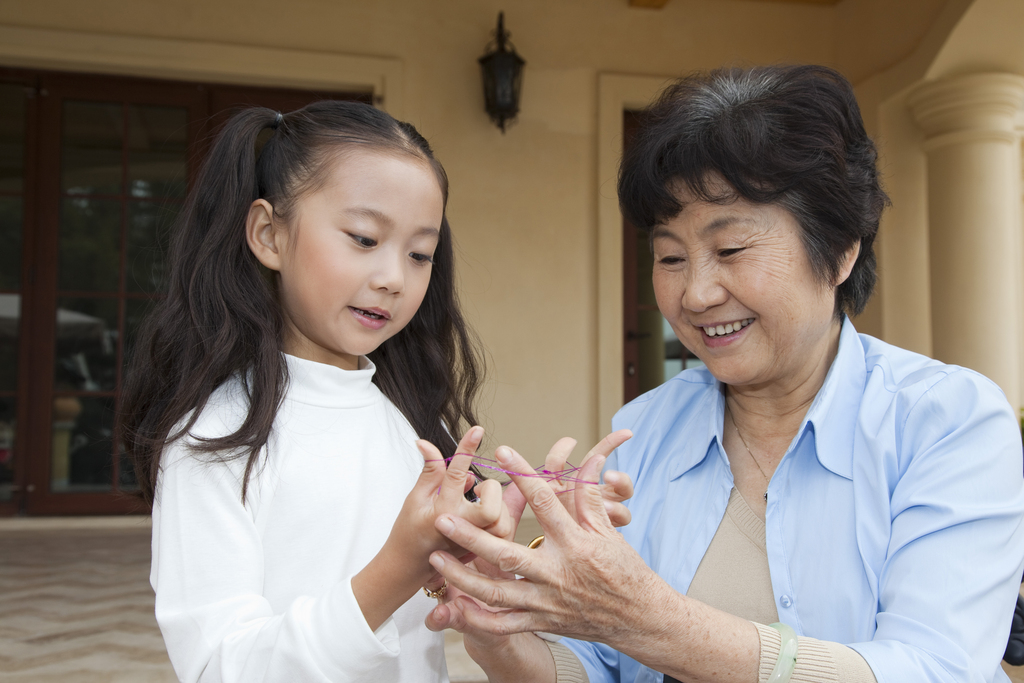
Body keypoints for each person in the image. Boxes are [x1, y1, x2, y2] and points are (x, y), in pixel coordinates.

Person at [424, 65, 1024, 683]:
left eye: (731, 249)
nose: (697, 293)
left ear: (841, 249)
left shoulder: (945, 421)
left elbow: (935, 669)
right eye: (670, 257)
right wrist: (497, 623)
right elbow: (601, 667)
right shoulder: (645, 428)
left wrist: (650, 621)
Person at [119, 101, 518, 683]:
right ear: (268, 234)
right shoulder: (214, 437)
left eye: (419, 254)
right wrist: (398, 566)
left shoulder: (409, 424)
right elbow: (221, 667)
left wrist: (475, 550)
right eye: (363, 238)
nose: (393, 277)